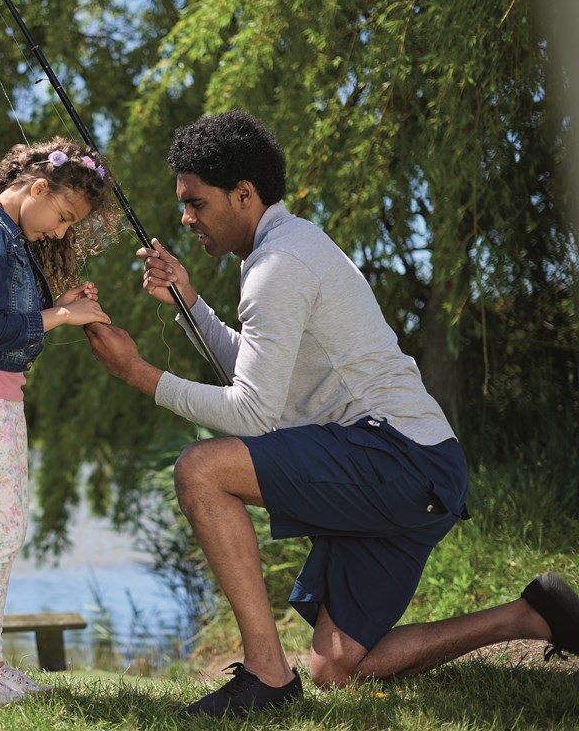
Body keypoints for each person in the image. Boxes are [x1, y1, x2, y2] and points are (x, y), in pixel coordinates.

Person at [83, 109, 579, 717]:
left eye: (196, 202)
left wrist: (139, 373)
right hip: (418, 464)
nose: (185, 218)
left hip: (398, 459)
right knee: (337, 668)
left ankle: (266, 675)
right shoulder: (280, 251)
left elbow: (253, 411)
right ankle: (531, 615)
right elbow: (259, 374)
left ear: (244, 194)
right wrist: (190, 303)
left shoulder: (277, 267)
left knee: (201, 471)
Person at [0, 137, 117, 707]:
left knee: (6, 532)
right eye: (61, 217)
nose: (60, 232)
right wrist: (60, 314)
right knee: (2, 532)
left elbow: (13, 314)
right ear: (37, 187)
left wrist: (59, 299)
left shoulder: (6, 233)